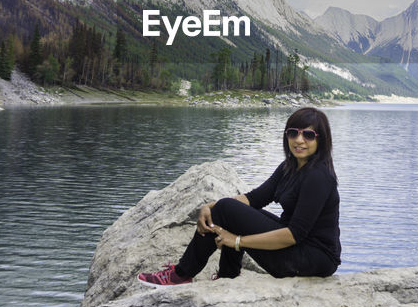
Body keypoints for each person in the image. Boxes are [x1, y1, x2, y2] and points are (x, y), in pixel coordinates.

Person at [137, 106, 340, 286]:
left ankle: (181, 275)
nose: (299, 140)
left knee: (227, 210)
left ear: (321, 140)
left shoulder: (318, 177)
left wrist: (237, 241)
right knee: (226, 210)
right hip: (297, 247)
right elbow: (254, 198)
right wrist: (210, 207)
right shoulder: (290, 166)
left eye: (308, 135)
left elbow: (294, 234)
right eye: (293, 133)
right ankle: (227, 277)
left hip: (312, 258)